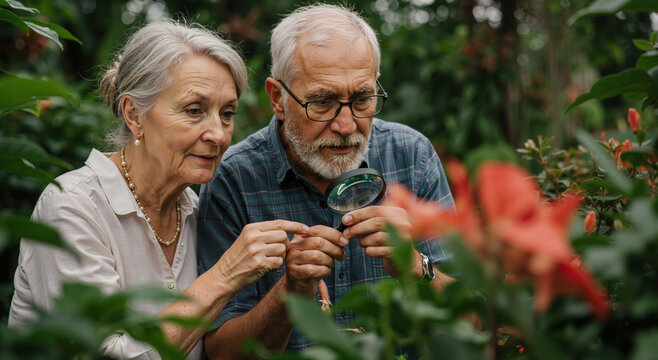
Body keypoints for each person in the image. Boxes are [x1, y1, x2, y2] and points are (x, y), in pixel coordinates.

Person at [8, 20, 309, 359]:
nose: (219, 134)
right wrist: (225, 275)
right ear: (134, 114)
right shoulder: (72, 207)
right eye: (194, 110)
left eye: (226, 113)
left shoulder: (196, 211)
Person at [196, 4, 456, 358]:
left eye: (362, 98)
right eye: (322, 102)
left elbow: (474, 318)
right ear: (277, 98)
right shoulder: (234, 179)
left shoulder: (412, 157)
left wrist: (415, 266)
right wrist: (290, 292)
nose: (346, 125)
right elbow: (219, 352)